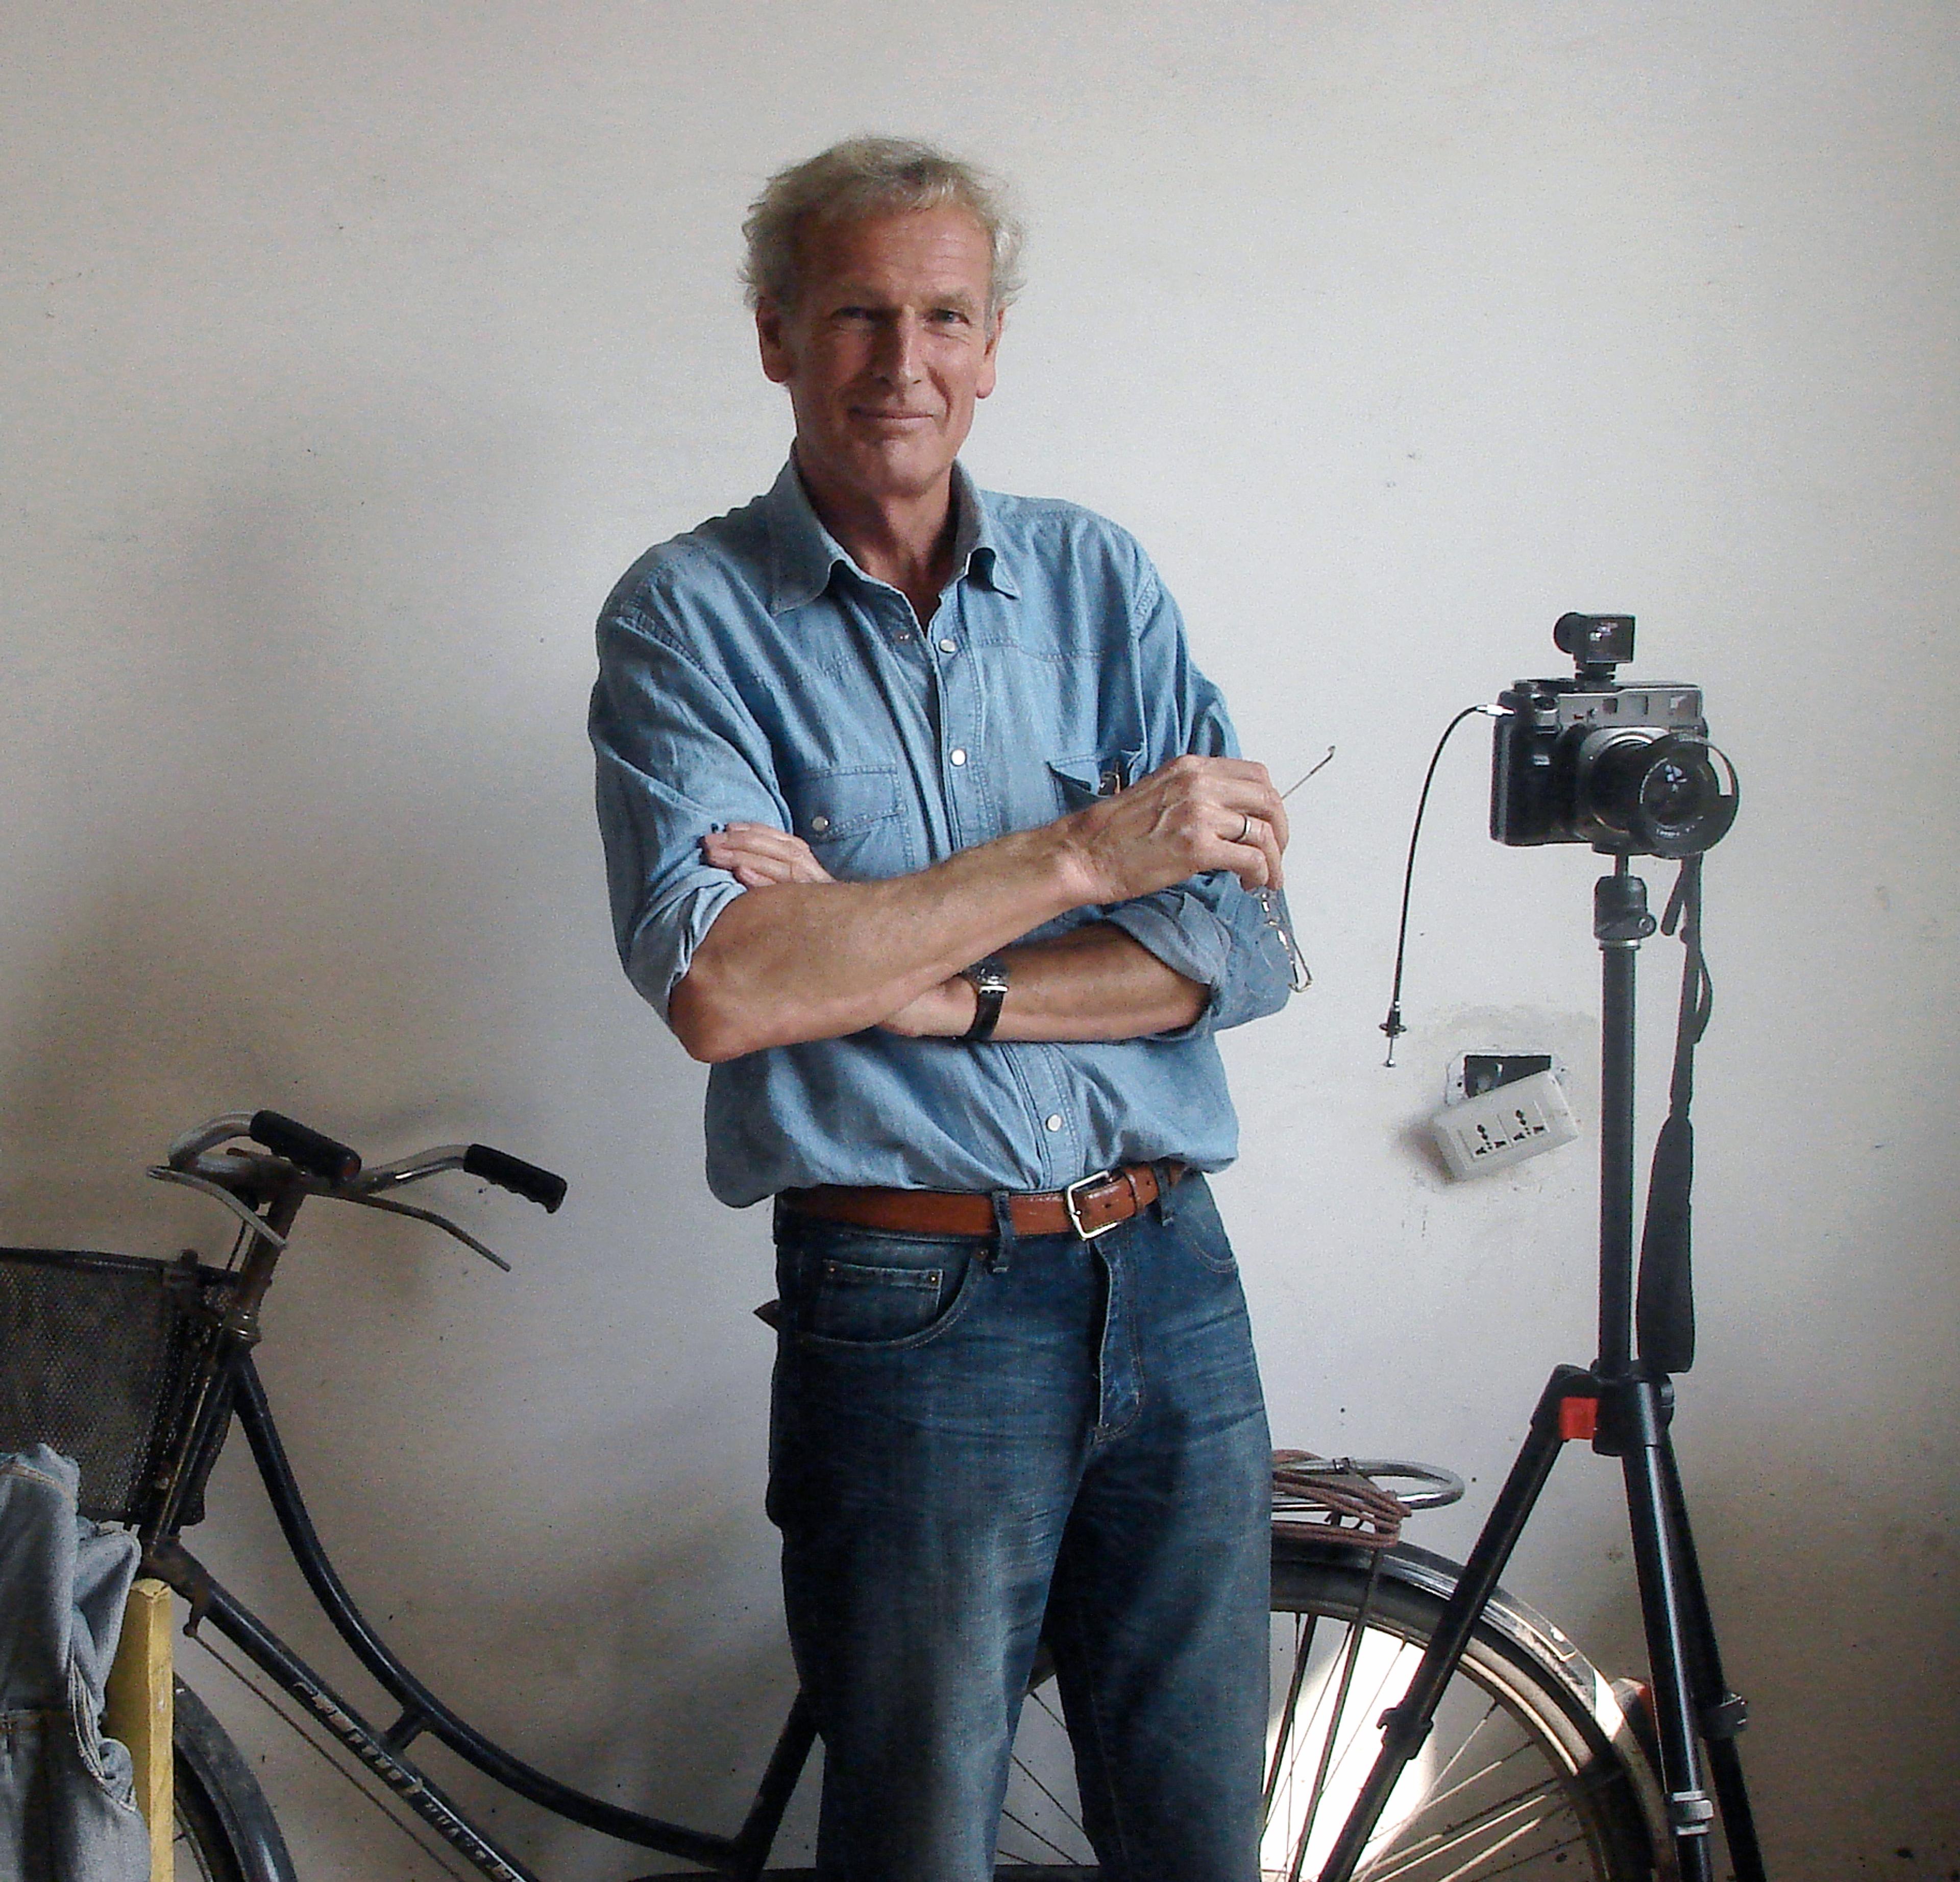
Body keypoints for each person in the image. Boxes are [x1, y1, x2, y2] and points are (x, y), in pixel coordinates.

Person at [591, 135, 1297, 1882]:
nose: (901, 363)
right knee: (916, 1840)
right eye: (856, 314)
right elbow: (727, 986)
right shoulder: (689, 615)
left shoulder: (1100, 581)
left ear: (992, 346)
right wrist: (1084, 856)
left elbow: (1238, 952)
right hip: (910, 1303)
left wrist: (929, 988)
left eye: (944, 317)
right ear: (776, 336)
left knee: (1201, 1833)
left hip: (1174, 1275)